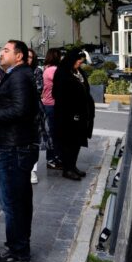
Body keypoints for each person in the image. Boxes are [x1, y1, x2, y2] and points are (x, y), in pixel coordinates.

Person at [0, 40, 39, 262]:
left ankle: (18, 252)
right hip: (15, 146)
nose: (1, 53)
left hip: (16, 148)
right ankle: (19, 245)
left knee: (13, 201)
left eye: (6, 50)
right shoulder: (16, 75)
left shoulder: (20, 76)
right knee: (18, 200)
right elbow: (11, 102)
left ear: (19, 56)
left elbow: (21, 110)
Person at [53, 49, 94, 181]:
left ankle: (73, 166)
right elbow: (58, 94)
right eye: (77, 60)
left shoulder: (79, 72)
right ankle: (67, 169)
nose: (79, 63)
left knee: (77, 141)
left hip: (81, 114)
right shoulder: (62, 72)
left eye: (81, 61)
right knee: (68, 142)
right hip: (68, 115)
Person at [27, 48, 52, 185]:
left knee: (35, 140)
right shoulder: (15, 71)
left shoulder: (37, 71)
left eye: (30, 57)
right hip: (20, 111)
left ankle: (33, 170)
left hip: (35, 110)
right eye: (26, 56)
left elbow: (38, 89)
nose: (28, 59)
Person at [41, 47, 63, 170]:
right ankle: (51, 159)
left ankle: (54, 158)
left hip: (49, 104)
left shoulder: (47, 69)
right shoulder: (53, 70)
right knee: (53, 134)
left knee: (52, 133)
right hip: (52, 105)